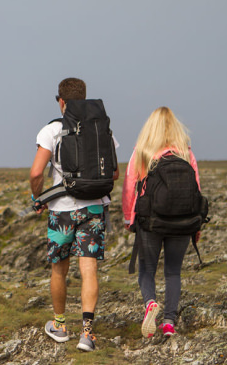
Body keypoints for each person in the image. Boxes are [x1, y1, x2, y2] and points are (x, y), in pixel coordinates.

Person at [30, 77, 119, 351]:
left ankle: (59, 325)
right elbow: (113, 172)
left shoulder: (52, 130)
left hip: (61, 212)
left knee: (59, 268)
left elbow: (35, 172)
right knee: (88, 268)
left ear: (61, 101)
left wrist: (38, 197)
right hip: (93, 207)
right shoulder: (101, 129)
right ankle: (87, 334)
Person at [121, 106, 201, 338]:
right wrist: (196, 226)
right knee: (173, 272)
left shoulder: (143, 151)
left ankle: (150, 304)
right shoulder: (186, 153)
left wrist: (129, 218)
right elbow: (196, 189)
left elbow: (129, 188)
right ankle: (168, 324)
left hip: (151, 222)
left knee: (147, 270)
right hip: (182, 221)